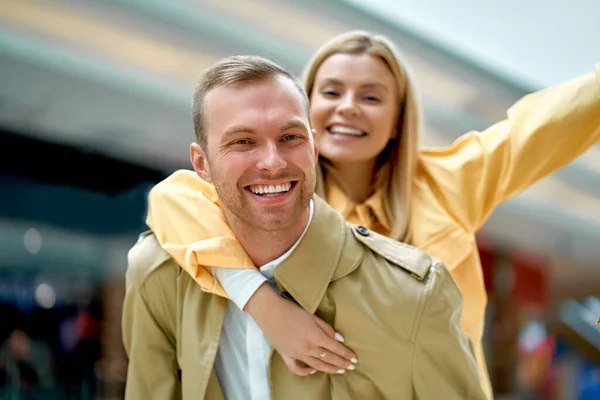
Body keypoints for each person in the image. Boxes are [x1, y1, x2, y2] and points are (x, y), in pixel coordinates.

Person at [144, 31, 600, 398]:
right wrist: (265, 306)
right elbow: (174, 200)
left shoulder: (451, 182)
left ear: (398, 117)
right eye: (331, 91)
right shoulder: (276, 195)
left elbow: (543, 126)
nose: (347, 106)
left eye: (371, 96)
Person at [122, 55, 486, 399]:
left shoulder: (415, 295)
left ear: (314, 148)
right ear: (201, 164)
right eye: (243, 142)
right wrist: (254, 296)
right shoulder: (158, 276)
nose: (272, 162)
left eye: (290, 137)